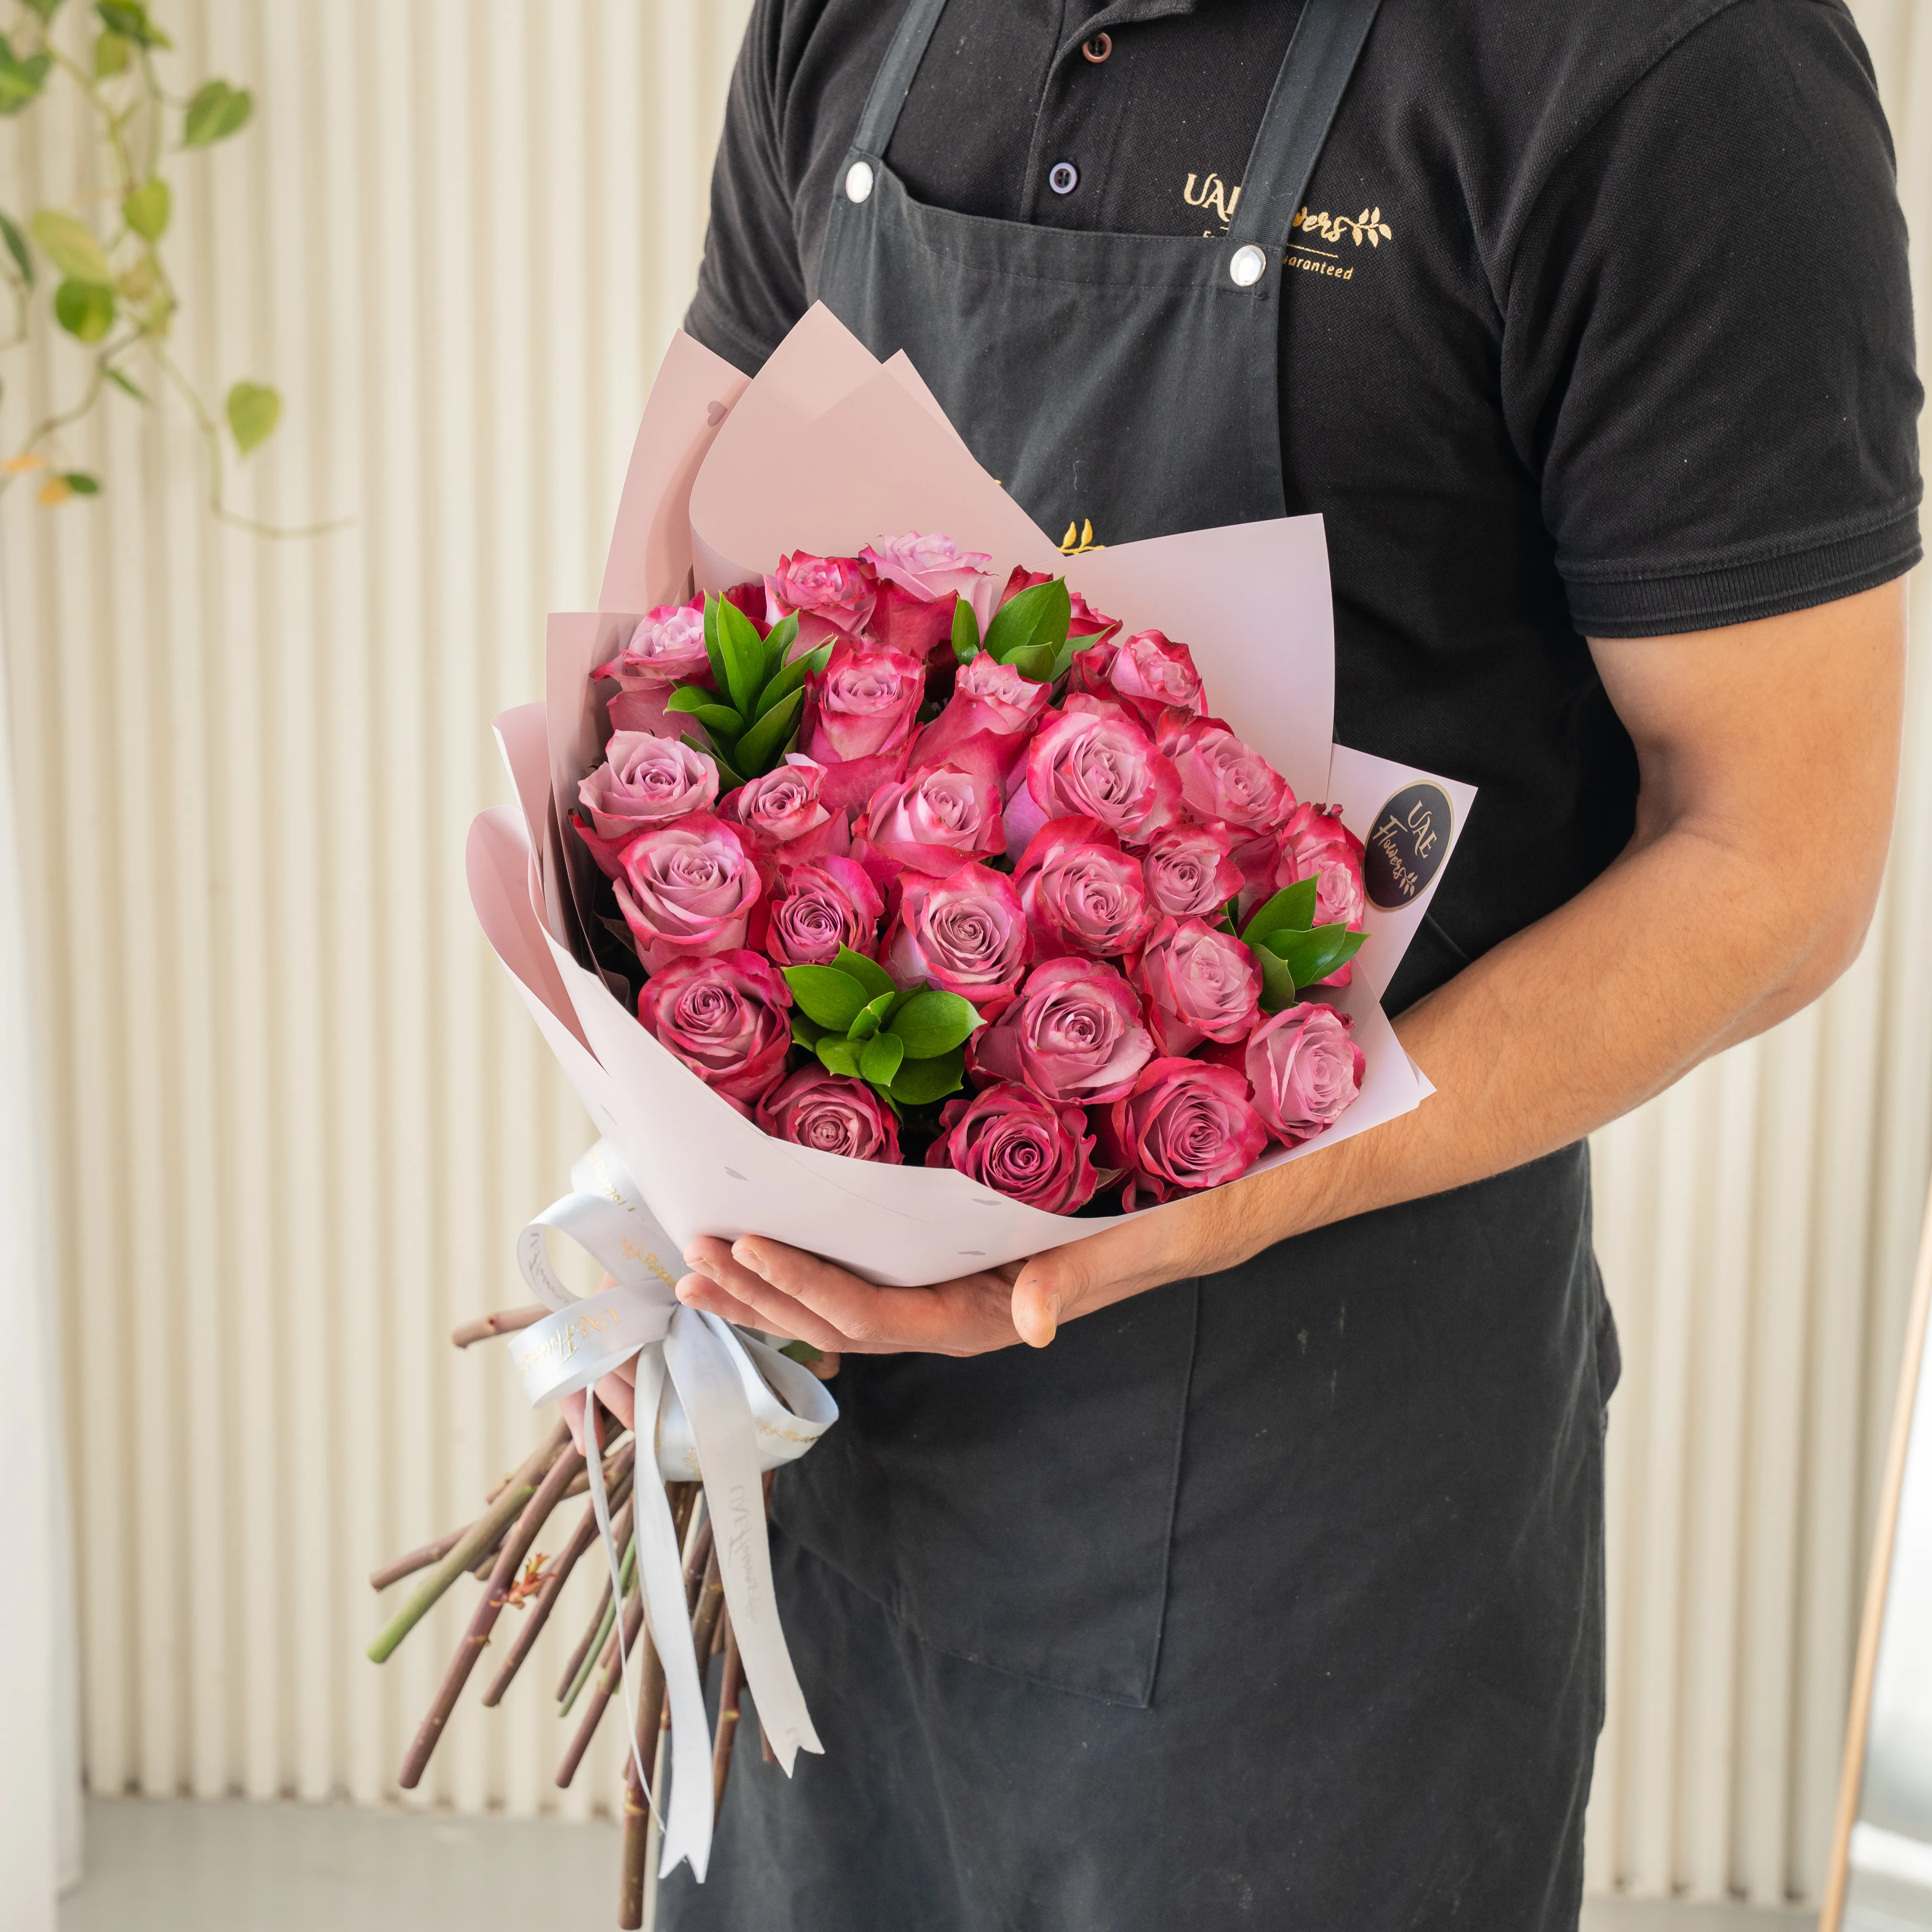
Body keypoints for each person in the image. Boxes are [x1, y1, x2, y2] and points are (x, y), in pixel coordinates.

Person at [618, 3, 1919, 1926]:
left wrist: (1208, 1203)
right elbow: (680, 604)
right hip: (818, 1450)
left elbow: (1774, 862)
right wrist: (649, 1149)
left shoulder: (1673, 68)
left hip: (1315, 1528)